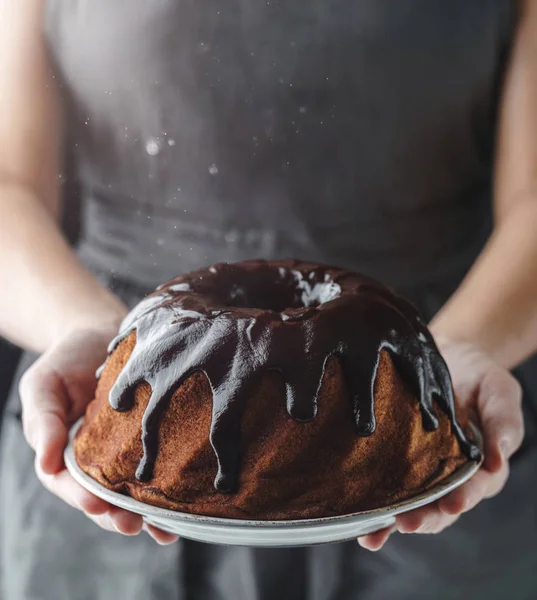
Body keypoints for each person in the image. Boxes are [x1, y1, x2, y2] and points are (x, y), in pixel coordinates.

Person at [0, 0, 536, 598]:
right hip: (137, 388)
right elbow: (7, 184)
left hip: (412, 383)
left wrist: (461, 344)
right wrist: (93, 335)